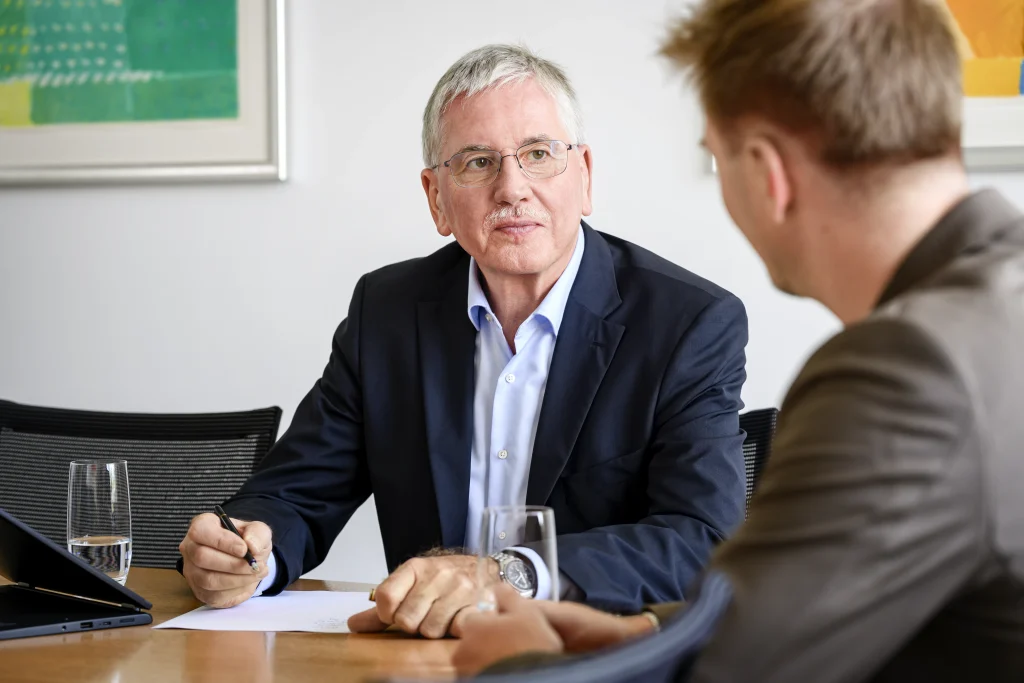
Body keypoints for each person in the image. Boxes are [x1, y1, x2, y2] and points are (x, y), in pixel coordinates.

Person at [452, 1, 1024, 681]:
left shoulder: (906, 368)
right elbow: (807, 603)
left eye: (717, 160)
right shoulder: (993, 311)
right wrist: (638, 631)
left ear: (765, 173)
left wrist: (517, 664)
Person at [176, 44, 750, 639]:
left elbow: (702, 537)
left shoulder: (687, 323)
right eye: (477, 162)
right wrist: (247, 554)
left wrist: (507, 575)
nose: (512, 188)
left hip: (595, 659)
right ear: (435, 198)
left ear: (584, 177)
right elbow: (293, 496)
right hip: (419, 660)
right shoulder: (388, 313)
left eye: (537, 154)